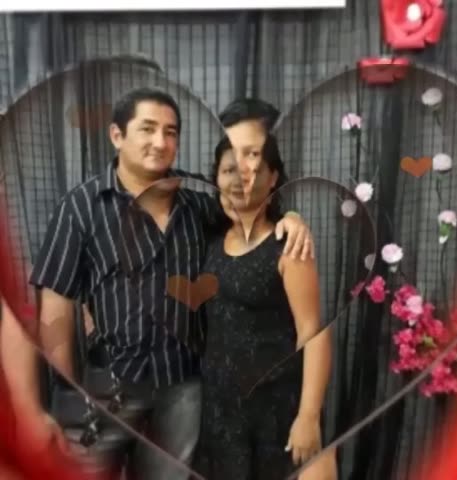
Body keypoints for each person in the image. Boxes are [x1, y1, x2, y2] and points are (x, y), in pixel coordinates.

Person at [3, 88, 314, 480]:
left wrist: (292, 218)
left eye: (171, 132)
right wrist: (67, 390)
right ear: (117, 135)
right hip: (106, 386)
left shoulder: (199, 204)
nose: (160, 141)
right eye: (147, 129)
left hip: (182, 385)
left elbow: (253, 214)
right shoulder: (80, 208)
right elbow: (56, 306)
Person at [195, 99, 336, 479]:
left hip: (277, 411)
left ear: (273, 177)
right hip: (221, 415)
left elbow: (313, 332)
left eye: (252, 157)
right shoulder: (208, 235)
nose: (241, 171)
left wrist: (308, 417)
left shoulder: (287, 244)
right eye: (229, 163)